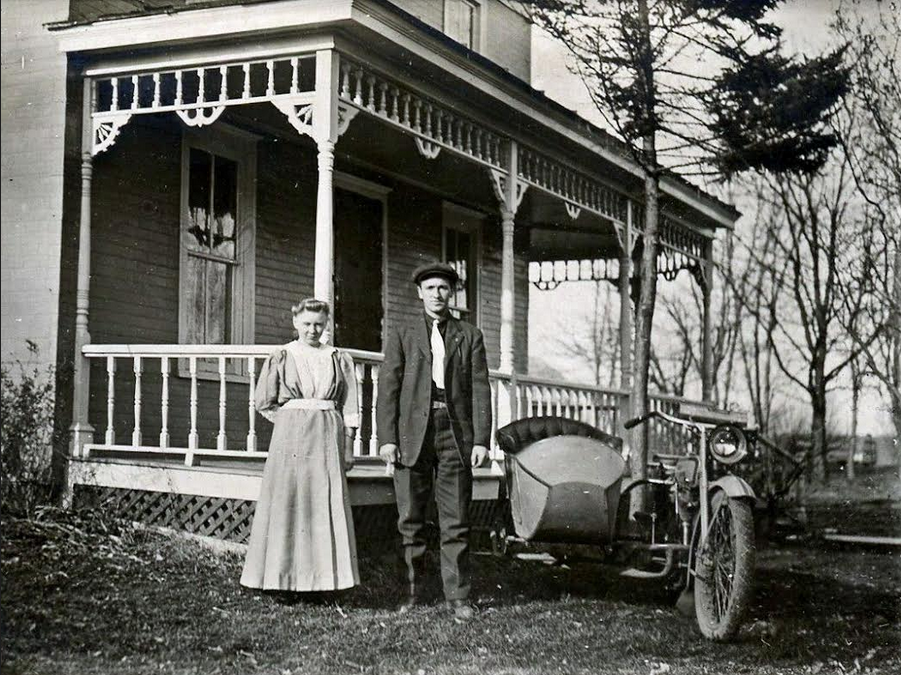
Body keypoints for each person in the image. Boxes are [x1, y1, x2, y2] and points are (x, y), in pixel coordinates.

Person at [376, 262, 491, 621]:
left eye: (444, 288)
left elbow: (480, 390)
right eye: (430, 288)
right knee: (409, 518)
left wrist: (481, 440)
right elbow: (388, 388)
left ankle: (458, 597)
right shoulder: (403, 333)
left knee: (455, 518)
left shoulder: (469, 335)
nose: (437, 294)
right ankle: (410, 593)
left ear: (452, 293)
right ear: (419, 292)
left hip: (454, 434)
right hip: (413, 434)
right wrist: (387, 439)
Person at [240, 298, 360, 599]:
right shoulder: (283, 355)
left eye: (319, 324)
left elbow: (350, 405)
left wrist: (348, 445)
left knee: (323, 502)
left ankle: (323, 582)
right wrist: (291, 419)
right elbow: (264, 401)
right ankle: (283, 580)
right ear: (295, 323)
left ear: (327, 325)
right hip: (291, 436)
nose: (312, 330)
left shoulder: (337, 358)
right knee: (289, 502)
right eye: (306, 324)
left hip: (327, 433)